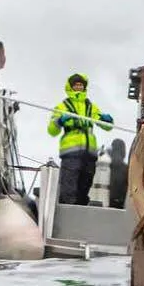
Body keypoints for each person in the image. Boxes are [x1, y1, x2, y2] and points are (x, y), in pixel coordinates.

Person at [47, 73, 113, 206]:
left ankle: (80, 211)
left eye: (81, 85)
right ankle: (68, 215)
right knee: (69, 188)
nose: (79, 87)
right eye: (76, 85)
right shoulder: (62, 106)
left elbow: (107, 126)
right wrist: (60, 120)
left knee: (85, 187)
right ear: (71, 87)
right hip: (71, 153)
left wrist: (107, 120)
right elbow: (52, 130)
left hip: (89, 154)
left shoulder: (91, 107)